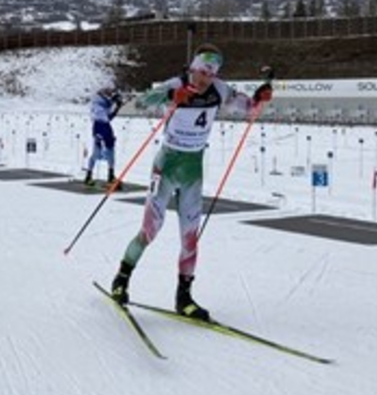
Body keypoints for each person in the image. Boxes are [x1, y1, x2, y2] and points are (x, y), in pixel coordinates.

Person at [109, 44, 273, 321]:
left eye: (209, 75)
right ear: (192, 68)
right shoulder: (176, 84)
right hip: (166, 164)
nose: (203, 79)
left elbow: (249, 109)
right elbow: (139, 102)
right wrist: (172, 95)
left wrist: (261, 97)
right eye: (200, 72)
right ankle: (121, 280)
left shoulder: (219, 90)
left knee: (190, 237)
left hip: (193, 167)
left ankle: (183, 298)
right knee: (150, 230)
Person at [83, 86, 124, 188]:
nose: (110, 96)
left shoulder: (103, 103)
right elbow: (107, 118)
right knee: (99, 153)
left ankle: (110, 175)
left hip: (104, 127)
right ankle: (90, 175)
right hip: (100, 127)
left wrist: (117, 106)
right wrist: (117, 106)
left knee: (110, 152)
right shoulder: (97, 105)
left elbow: (109, 114)